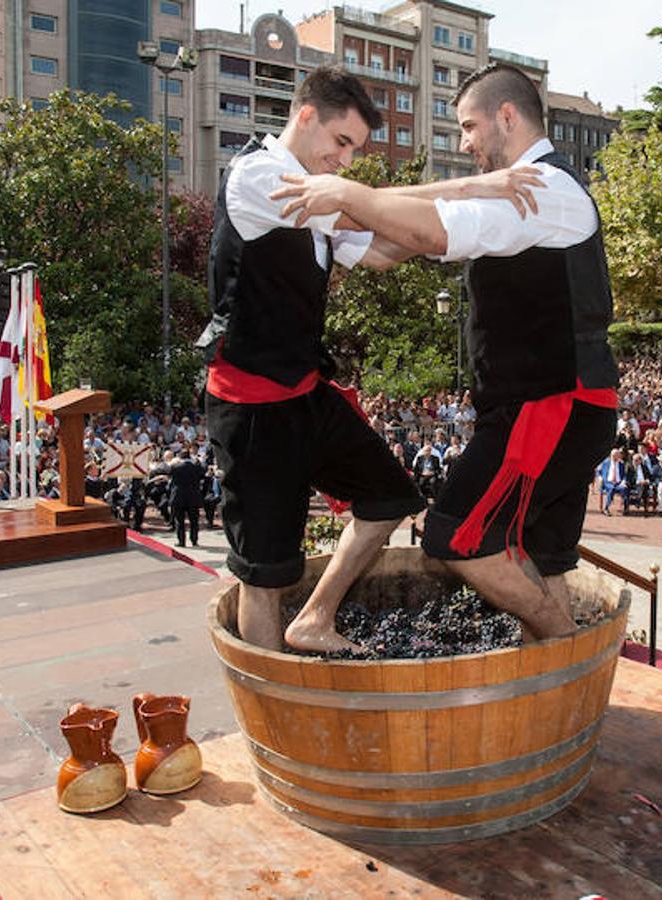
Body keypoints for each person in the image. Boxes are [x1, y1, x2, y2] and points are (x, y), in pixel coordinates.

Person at [272, 63, 620, 641]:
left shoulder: (544, 189)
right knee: (544, 554)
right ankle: (557, 688)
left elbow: (432, 232)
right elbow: (392, 244)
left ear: (507, 116)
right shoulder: (520, 193)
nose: (463, 143)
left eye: (467, 126)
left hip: (550, 404)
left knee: (456, 535)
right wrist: (340, 218)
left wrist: (348, 193)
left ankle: (566, 643)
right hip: (559, 405)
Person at [193, 67, 429, 652]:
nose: (346, 162)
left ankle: (317, 616)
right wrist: (479, 189)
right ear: (305, 117)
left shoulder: (321, 192)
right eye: (341, 143)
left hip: (304, 392)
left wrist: (455, 230)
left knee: (390, 497)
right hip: (251, 406)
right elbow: (366, 213)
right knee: (264, 574)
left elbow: (382, 250)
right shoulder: (259, 175)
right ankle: (273, 707)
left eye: (354, 149)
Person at [167, 449, 205, 548]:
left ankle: (181, 541)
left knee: (179, 521)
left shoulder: (175, 467)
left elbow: (167, 472)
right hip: (193, 497)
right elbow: (203, 474)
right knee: (194, 521)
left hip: (178, 496)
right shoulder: (196, 467)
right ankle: (194, 540)